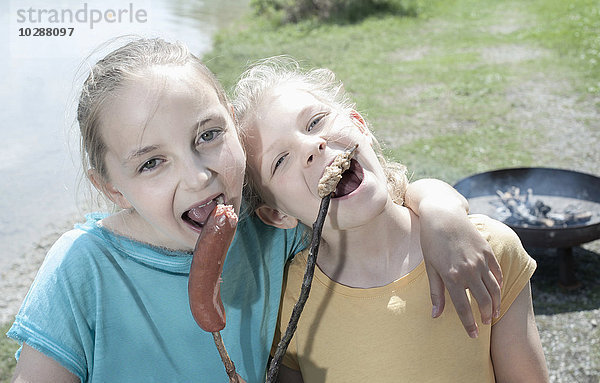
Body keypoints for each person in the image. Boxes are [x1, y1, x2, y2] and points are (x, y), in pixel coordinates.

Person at [8, 38, 502, 383]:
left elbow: (372, 198)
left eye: (207, 135)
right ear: (112, 188)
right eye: (152, 162)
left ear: (233, 127)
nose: (198, 176)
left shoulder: (268, 228)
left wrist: (439, 209)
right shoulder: (82, 269)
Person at [233, 57, 549, 382]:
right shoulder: (288, 302)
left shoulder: (485, 248)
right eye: (280, 159)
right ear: (277, 214)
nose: (313, 145)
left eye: (315, 122)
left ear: (361, 127)